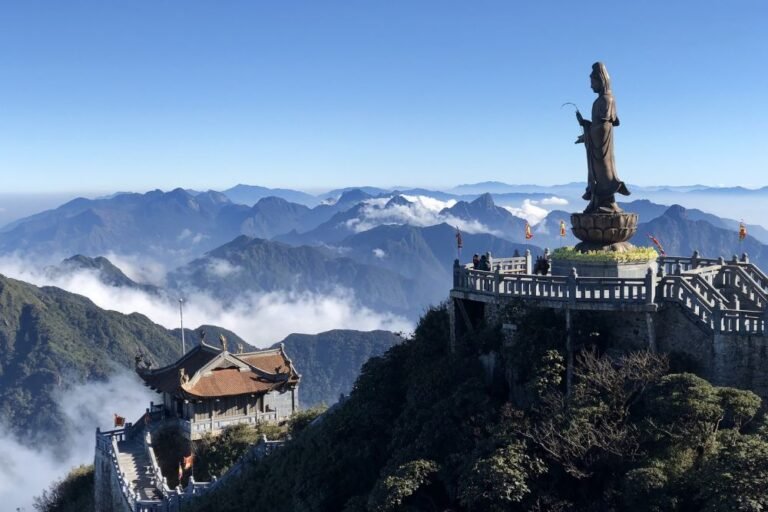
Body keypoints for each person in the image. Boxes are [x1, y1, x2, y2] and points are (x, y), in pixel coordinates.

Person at [575, 62, 630, 213]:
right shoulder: (599, 101)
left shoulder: (607, 99)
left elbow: (605, 127)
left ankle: (608, 203)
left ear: (601, 80)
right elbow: (598, 125)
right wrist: (585, 125)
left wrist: (588, 130)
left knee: (604, 175)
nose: (591, 86)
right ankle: (596, 202)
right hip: (597, 148)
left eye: (593, 82)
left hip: (602, 149)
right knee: (597, 175)